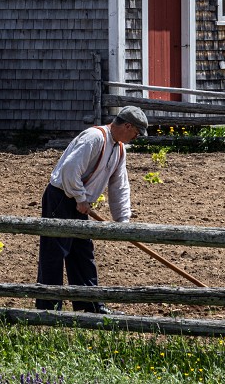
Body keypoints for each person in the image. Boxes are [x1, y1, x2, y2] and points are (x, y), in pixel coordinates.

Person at [35, 105, 147, 312]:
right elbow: (70, 169)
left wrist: (123, 221)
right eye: (137, 132)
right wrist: (80, 197)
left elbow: (119, 185)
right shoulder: (94, 137)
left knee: (82, 253)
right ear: (128, 126)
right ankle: (48, 308)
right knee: (54, 253)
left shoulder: (119, 149)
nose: (137, 137)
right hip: (61, 197)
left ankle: (90, 305)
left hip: (79, 203)